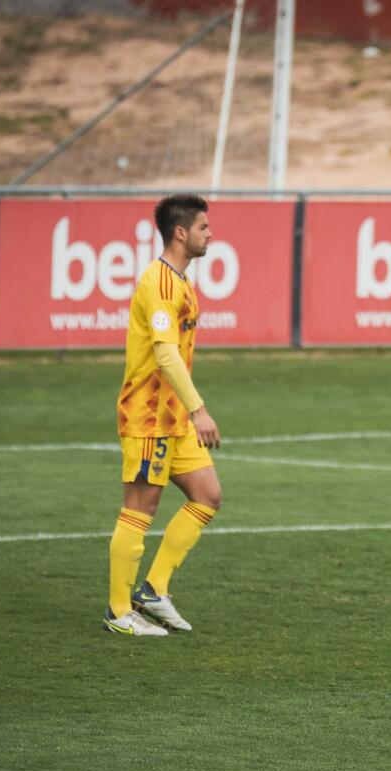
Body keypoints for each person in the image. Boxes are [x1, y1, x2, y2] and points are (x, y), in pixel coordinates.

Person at [104, 195, 223, 636]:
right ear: (180, 232)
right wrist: (199, 409)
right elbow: (165, 354)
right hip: (149, 415)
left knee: (207, 495)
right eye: (204, 227)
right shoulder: (160, 284)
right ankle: (119, 612)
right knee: (140, 506)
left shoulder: (182, 281)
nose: (210, 234)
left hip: (173, 419)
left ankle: (153, 590)